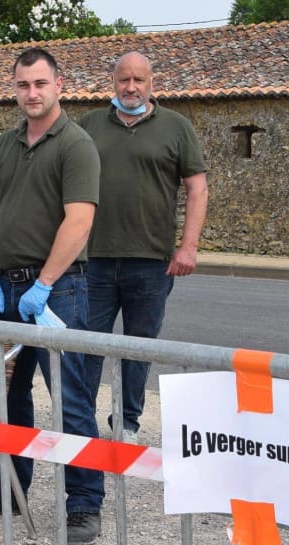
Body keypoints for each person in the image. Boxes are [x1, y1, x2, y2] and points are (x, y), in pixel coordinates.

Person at [0, 47, 104, 545]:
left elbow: (79, 220)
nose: (32, 94)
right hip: (5, 284)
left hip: (58, 291)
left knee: (70, 399)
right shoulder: (3, 145)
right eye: (23, 85)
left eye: (40, 84)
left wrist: (44, 283)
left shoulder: (77, 145)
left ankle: (85, 502)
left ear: (59, 84)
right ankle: (10, 487)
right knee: (7, 395)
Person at [77, 51, 208, 444]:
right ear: (112, 82)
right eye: (123, 80)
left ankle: (127, 423)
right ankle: (80, 423)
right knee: (86, 346)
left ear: (152, 81)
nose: (130, 87)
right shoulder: (88, 125)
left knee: (138, 348)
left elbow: (197, 189)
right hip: (93, 260)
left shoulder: (177, 127)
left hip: (151, 262)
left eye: (138, 80)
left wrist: (188, 247)